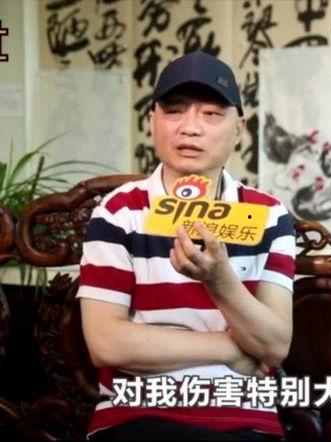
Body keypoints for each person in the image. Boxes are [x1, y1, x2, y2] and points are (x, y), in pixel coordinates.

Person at [77, 51, 296, 441]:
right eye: (174, 111)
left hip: (244, 419)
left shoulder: (268, 215)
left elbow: (275, 344)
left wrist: (220, 280)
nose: (190, 128)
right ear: (152, 121)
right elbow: (106, 343)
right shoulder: (118, 212)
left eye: (211, 114)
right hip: (136, 415)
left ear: (239, 128)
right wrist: (231, 348)